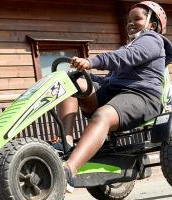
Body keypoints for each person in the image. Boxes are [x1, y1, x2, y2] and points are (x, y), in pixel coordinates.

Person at [53, 1, 172, 193]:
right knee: (71, 83)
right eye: (129, 20)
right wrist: (81, 75)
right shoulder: (130, 46)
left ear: (152, 24)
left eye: (137, 19)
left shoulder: (152, 40)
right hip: (115, 93)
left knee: (103, 115)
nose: (131, 23)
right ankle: (65, 141)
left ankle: (68, 172)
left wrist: (91, 62)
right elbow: (110, 78)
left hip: (142, 96)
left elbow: (126, 55)